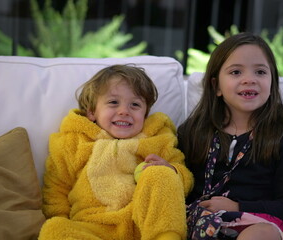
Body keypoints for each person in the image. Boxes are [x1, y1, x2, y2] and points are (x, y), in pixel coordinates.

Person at [177, 32, 283, 240]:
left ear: (272, 83)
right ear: (216, 86)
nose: (249, 80)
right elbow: (181, 186)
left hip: (258, 224)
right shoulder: (193, 132)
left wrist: (238, 206)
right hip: (203, 225)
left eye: (260, 72)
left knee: (261, 234)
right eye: (236, 72)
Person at [39, 65, 194, 240]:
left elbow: (185, 179)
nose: (124, 111)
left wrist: (172, 171)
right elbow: (56, 188)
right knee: (54, 228)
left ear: (145, 114)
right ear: (91, 112)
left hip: (143, 226)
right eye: (113, 102)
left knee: (161, 172)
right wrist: (60, 216)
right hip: (93, 226)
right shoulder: (73, 142)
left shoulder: (157, 137)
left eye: (135, 105)